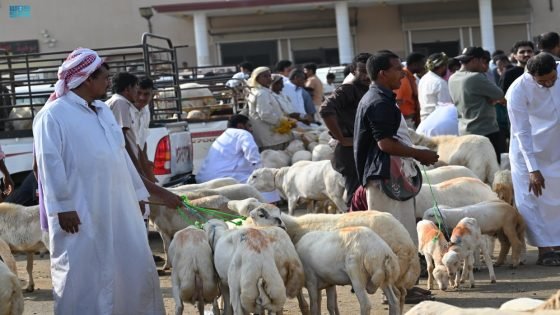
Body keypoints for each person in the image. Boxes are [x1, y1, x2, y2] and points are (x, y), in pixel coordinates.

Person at [33, 48, 183, 314]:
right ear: (87, 79)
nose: (108, 82)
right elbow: (48, 163)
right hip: (80, 211)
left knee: (130, 267)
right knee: (84, 274)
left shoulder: (102, 110)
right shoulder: (53, 115)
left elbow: (121, 159)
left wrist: (141, 194)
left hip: (119, 208)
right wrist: (63, 207)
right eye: (104, 77)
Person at [354, 50, 439, 246]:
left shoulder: (381, 98)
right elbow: (385, 143)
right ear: (383, 73)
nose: (403, 73)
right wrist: (420, 154)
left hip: (389, 173)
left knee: (402, 234)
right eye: (397, 69)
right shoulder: (378, 102)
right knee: (394, 238)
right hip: (385, 177)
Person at [506, 53, 560, 266]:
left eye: (552, 78)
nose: (548, 83)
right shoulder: (517, 90)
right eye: (542, 81)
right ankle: (544, 250)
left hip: (555, 145)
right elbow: (521, 132)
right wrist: (532, 169)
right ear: (531, 75)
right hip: (527, 150)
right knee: (532, 199)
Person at [320, 53, 372, 207]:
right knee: (355, 194)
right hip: (349, 151)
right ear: (353, 71)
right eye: (362, 71)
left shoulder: (368, 89)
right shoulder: (349, 89)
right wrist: (342, 138)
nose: (365, 75)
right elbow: (325, 109)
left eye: (368, 71)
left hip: (362, 148)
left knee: (364, 193)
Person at [448, 46, 506, 163]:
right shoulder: (475, 77)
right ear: (475, 60)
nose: (484, 66)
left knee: (475, 170)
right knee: (493, 171)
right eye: (483, 62)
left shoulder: (452, 78)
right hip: (485, 132)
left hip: (464, 132)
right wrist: (492, 98)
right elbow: (499, 94)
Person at [197, 114, 260, 183]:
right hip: (223, 178)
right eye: (249, 126)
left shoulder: (222, 137)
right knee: (265, 188)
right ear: (240, 126)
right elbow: (253, 154)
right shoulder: (243, 133)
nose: (251, 130)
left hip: (203, 179)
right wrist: (261, 171)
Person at [246, 66, 292, 150]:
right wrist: (282, 123)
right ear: (257, 78)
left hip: (268, 135)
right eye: (265, 76)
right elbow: (265, 114)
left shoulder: (260, 91)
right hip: (270, 136)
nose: (268, 78)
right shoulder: (262, 93)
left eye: (269, 76)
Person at [417, 52, 453, 121]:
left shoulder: (423, 79)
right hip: (437, 122)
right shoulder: (440, 82)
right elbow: (446, 108)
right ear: (443, 66)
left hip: (424, 121)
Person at [394, 52, 425, 128]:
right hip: (405, 120)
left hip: (409, 119)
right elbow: (398, 101)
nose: (424, 66)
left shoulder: (410, 77)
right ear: (415, 64)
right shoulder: (403, 78)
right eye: (422, 63)